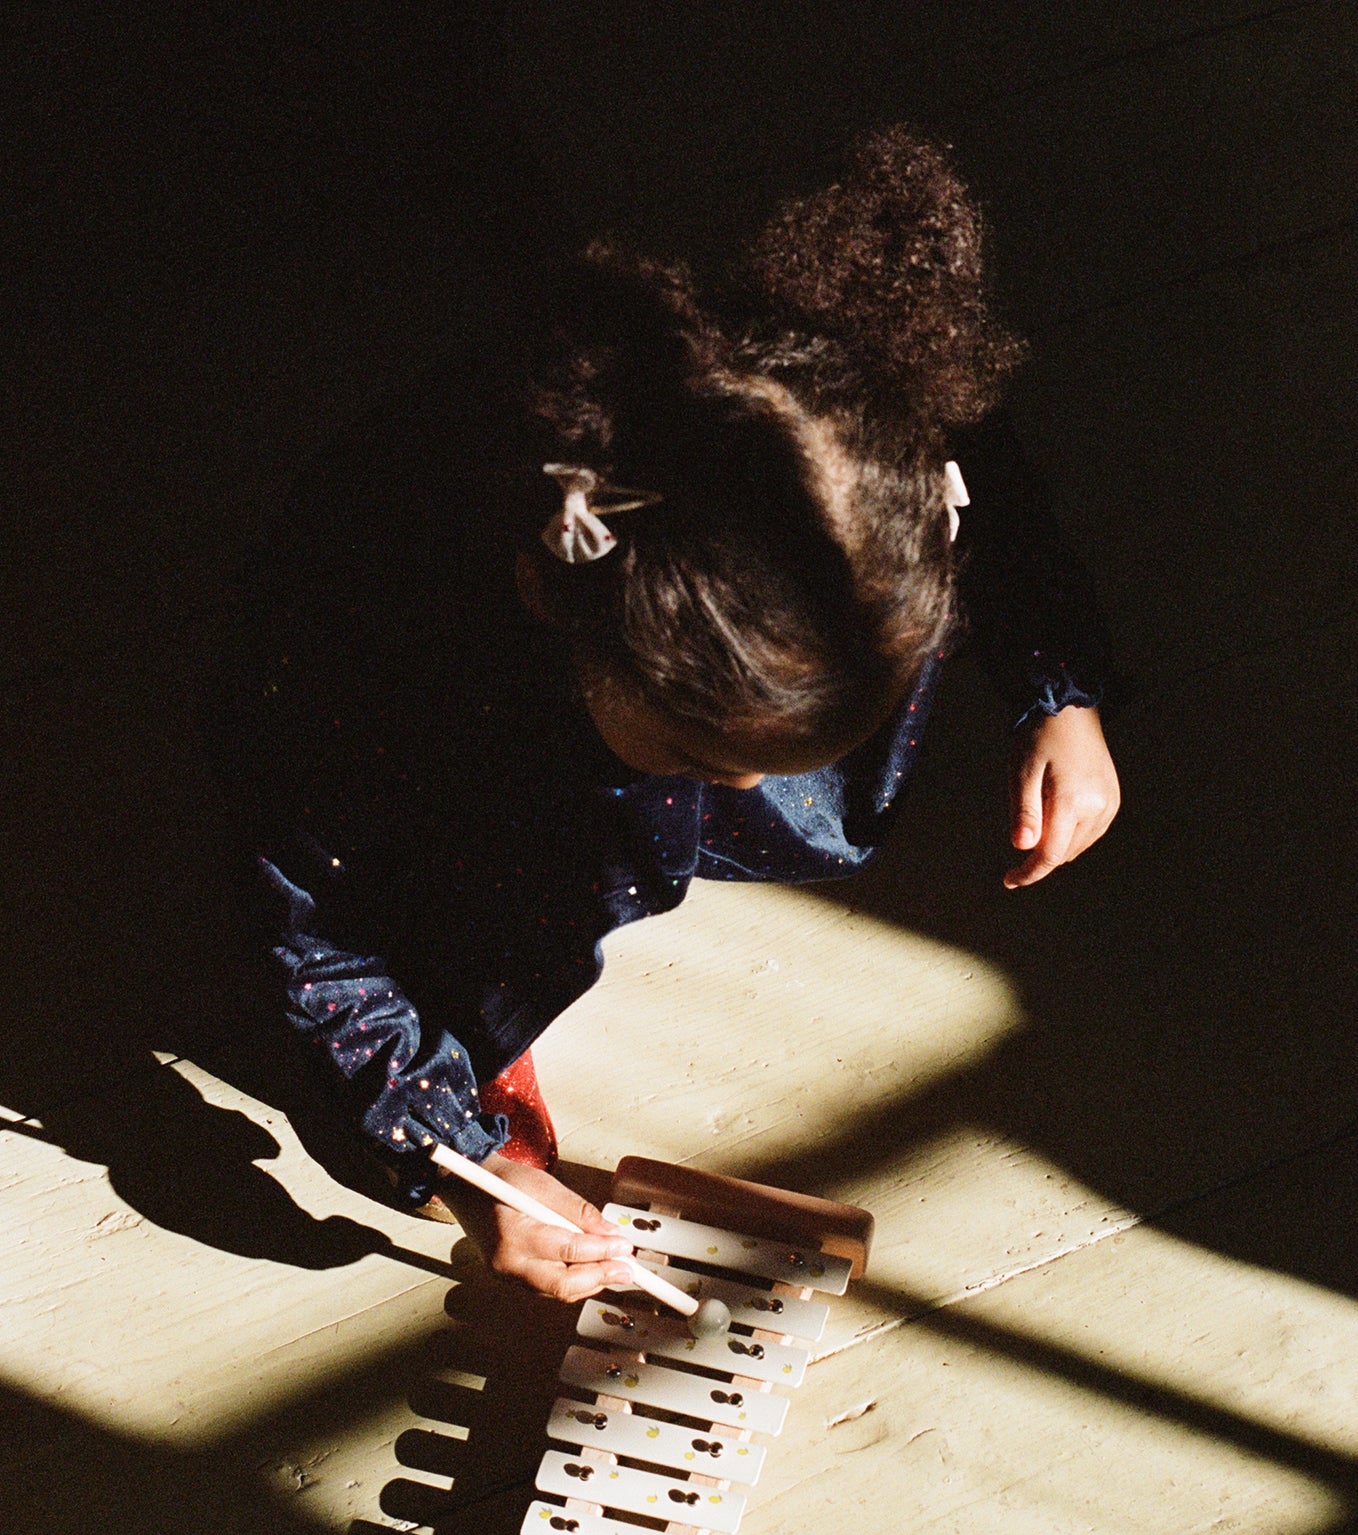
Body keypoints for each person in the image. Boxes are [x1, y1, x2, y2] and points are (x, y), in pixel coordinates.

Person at [214, 127, 1122, 1302]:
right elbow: (310, 905)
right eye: (701, 756)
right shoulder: (400, 657)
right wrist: (454, 1152)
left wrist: (1058, 688)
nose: (740, 792)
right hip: (462, 713)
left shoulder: (854, 442)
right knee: (474, 905)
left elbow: (978, 480)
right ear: (563, 607)